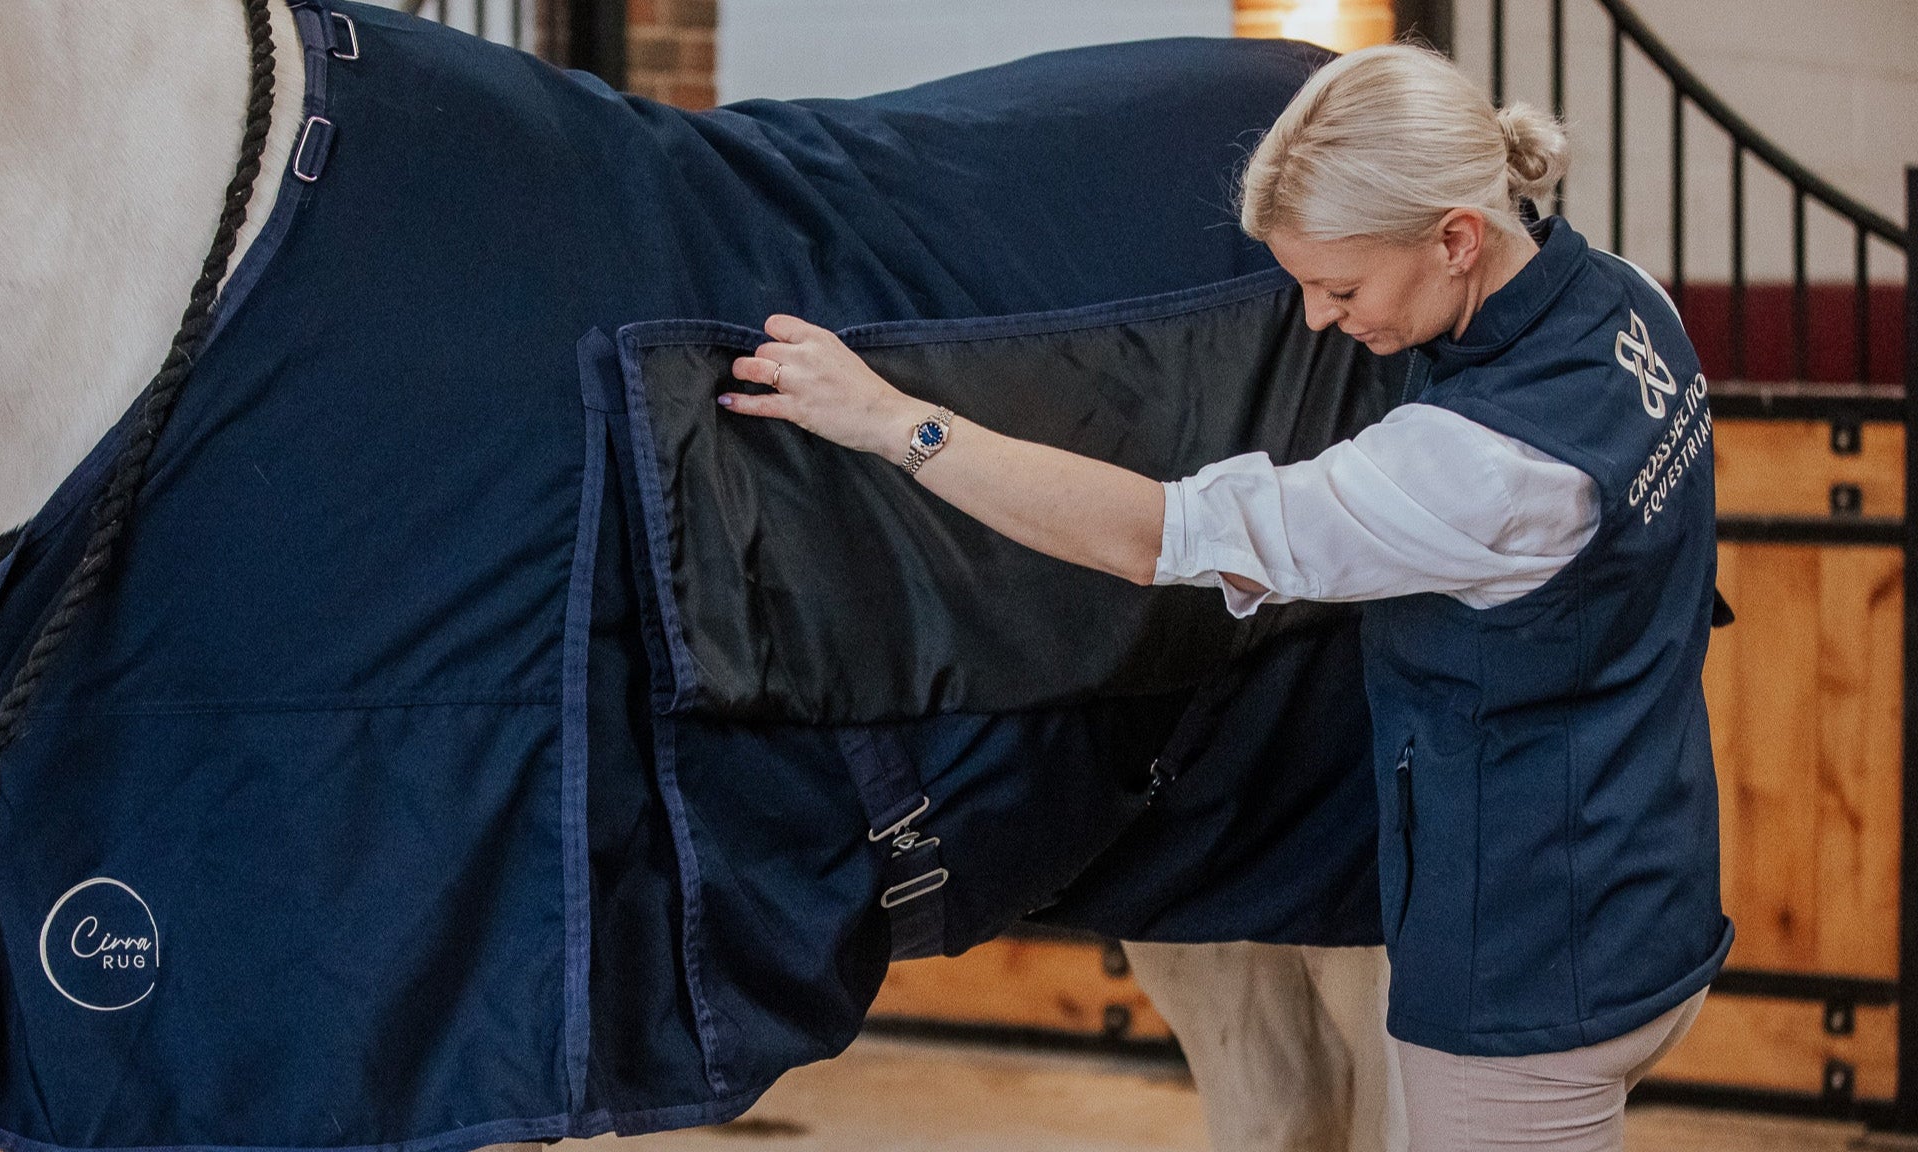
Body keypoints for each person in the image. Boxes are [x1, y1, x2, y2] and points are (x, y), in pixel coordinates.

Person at [717, 41, 1730, 1151]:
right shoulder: (1627, 302)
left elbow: (1154, 534)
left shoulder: (1482, 467)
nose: (1314, 322)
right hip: (1649, 893)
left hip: (1528, 967)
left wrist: (890, 425)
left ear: (1454, 238)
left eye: (1337, 287)